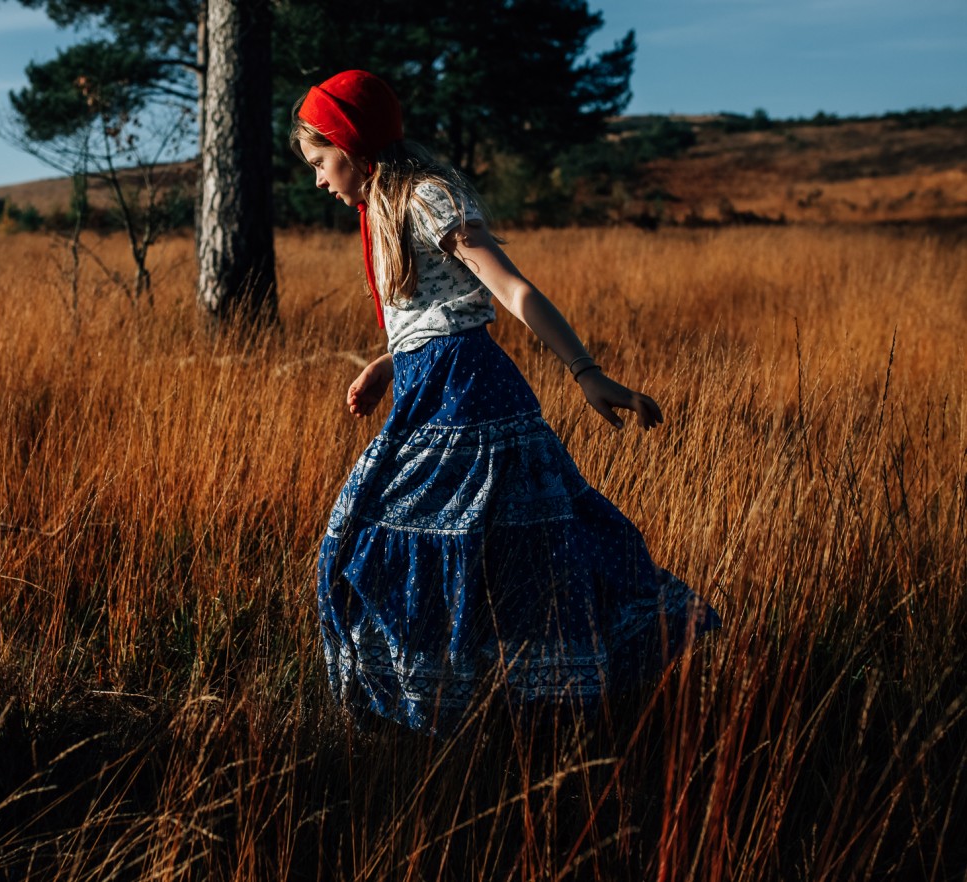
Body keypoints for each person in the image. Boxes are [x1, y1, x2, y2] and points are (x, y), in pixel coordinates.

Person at [293, 70, 720, 735]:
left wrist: (585, 370)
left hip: (465, 398)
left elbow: (508, 290)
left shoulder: (426, 198)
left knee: (386, 540)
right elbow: (438, 310)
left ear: (350, 142)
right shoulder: (379, 207)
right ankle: (474, 709)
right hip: (430, 384)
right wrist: (387, 362)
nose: (318, 178)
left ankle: (470, 710)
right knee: (486, 551)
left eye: (320, 161)